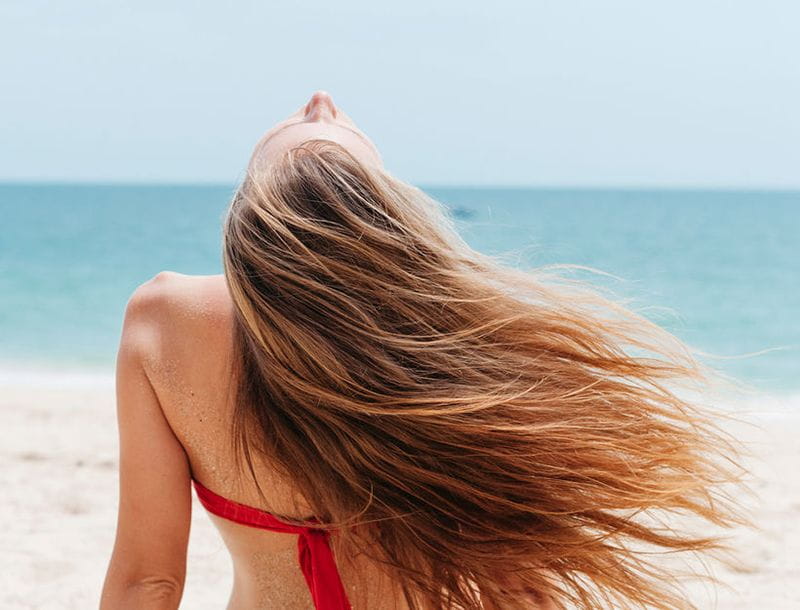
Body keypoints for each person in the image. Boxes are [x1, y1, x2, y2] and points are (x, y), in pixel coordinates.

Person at [100, 91, 744, 610]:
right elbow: (518, 589)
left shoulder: (164, 324)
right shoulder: (452, 350)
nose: (320, 100)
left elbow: (148, 584)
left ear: (255, 211)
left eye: (312, 123)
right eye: (316, 122)